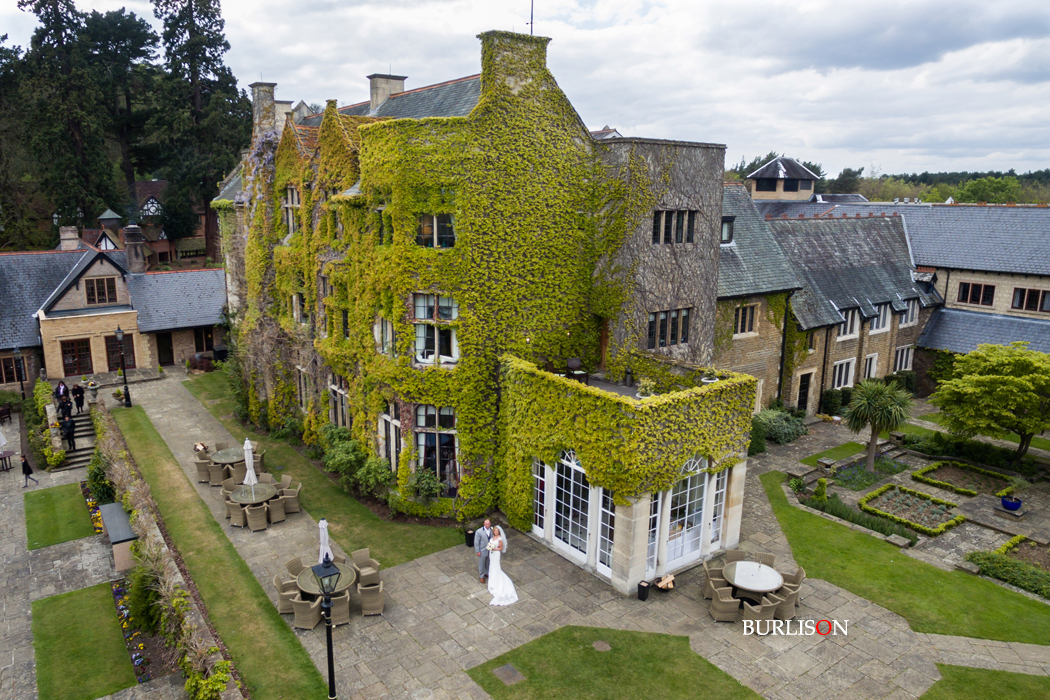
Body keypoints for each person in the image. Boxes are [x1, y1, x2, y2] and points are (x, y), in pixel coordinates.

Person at [486, 526, 518, 606]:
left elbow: (500, 548)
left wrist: (494, 549)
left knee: (496, 567)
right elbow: (490, 544)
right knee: (491, 566)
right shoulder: (493, 537)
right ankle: (492, 580)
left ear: (499, 532)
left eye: (497, 531)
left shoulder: (499, 539)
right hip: (491, 554)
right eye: (495, 531)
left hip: (496, 554)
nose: (496, 532)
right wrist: (490, 547)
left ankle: (497, 581)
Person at [474, 519, 492, 583]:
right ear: (484, 524)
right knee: (482, 563)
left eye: (488, 524)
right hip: (482, 550)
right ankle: (481, 576)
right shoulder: (479, 531)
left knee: (488, 562)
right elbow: (476, 542)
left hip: (489, 550)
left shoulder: (492, 530)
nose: (487, 525)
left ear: (490, 524)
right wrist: (477, 551)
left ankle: (487, 572)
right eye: (486, 524)